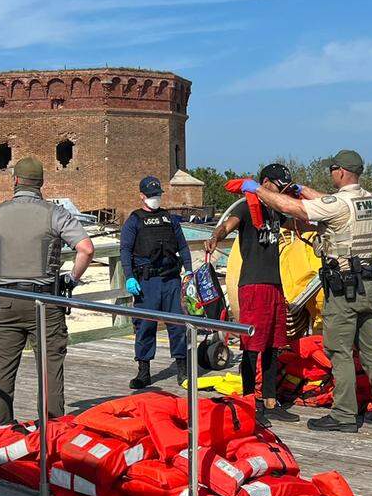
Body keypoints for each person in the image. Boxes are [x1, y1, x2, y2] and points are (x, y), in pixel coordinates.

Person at [239, 150, 372, 433]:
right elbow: (331, 202)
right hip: (370, 285)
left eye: (332, 170)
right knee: (371, 348)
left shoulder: (338, 205)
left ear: (340, 172)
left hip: (345, 289)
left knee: (339, 351)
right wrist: (301, 189)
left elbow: (294, 210)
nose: (331, 174)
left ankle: (344, 415)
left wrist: (258, 191)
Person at [0, 157, 95, 426]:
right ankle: (52, 431)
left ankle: (0, 433)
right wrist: (71, 280)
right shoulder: (55, 213)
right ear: (40, 183)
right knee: (50, 371)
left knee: (2, 372)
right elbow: (86, 249)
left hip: (5, 301)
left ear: (15, 181)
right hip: (45, 301)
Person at [205, 163, 298, 422]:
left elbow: (300, 221)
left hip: (275, 284)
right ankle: (248, 402)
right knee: (252, 345)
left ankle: (270, 400)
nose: (281, 190)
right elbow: (227, 225)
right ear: (266, 182)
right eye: (279, 185)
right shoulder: (247, 207)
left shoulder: (276, 211)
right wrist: (214, 237)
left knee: (274, 344)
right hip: (253, 284)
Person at [120, 175, 193, 388]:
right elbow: (125, 250)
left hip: (171, 280)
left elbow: (183, 247)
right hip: (146, 282)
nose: (155, 199)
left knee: (178, 326)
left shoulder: (169, 219)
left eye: (157, 195)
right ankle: (144, 372)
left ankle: (182, 369)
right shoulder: (134, 220)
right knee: (145, 326)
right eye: (151, 196)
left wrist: (188, 271)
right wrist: (130, 276)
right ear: (142, 196)